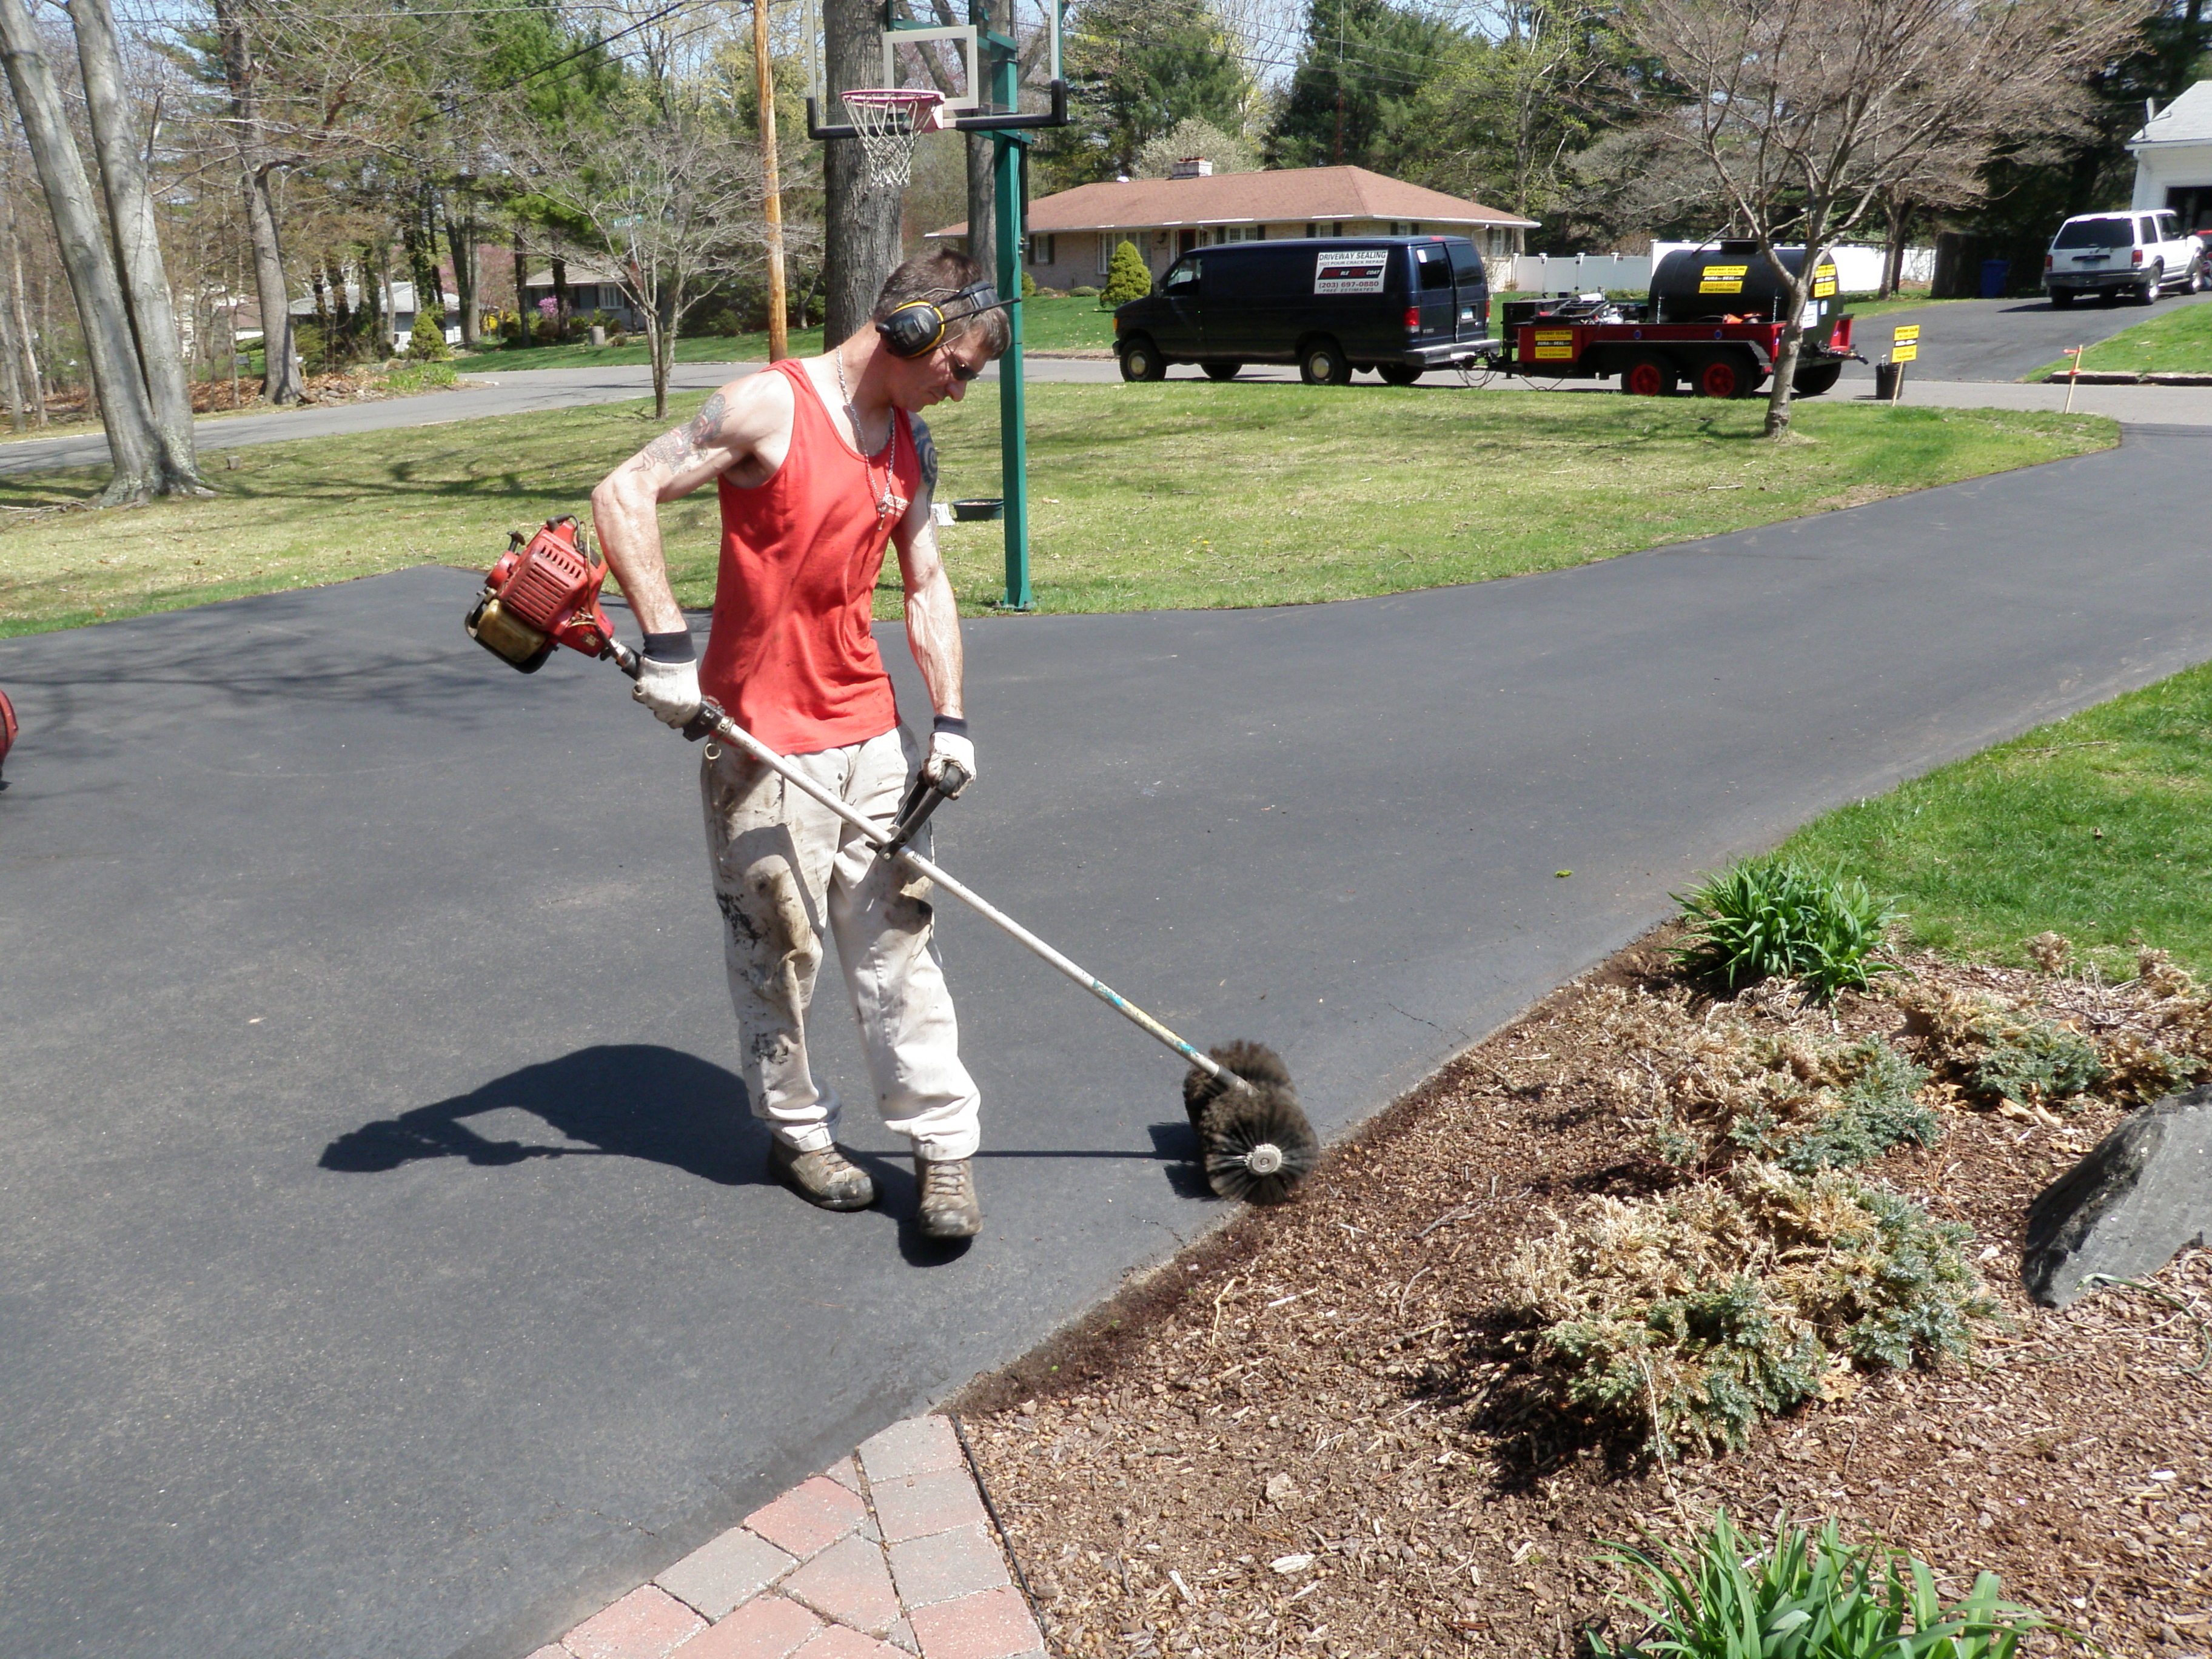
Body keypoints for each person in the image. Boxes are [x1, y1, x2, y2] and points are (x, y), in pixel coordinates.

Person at [589, 249, 1007, 1241]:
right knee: (778, 953)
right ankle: (796, 1132)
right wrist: (664, 646)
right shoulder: (765, 408)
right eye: (960, 366)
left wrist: (948, 722)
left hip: (869, 735)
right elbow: (624, 491)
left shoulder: (910, 444)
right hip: (756, 742)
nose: (960, 389)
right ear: (909, 330)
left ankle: (944, 1151)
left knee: (902, 942)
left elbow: (928, 585)